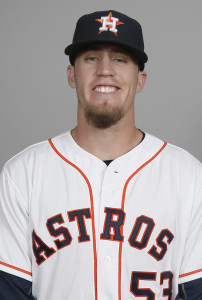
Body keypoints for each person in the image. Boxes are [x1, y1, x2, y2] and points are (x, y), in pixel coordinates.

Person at [0, 9, 201, 300]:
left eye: (120, 58)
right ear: (72, 74)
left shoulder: (189, 177)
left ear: (141, 79)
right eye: (91, 57)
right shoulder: (22, 175)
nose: (105, 69)